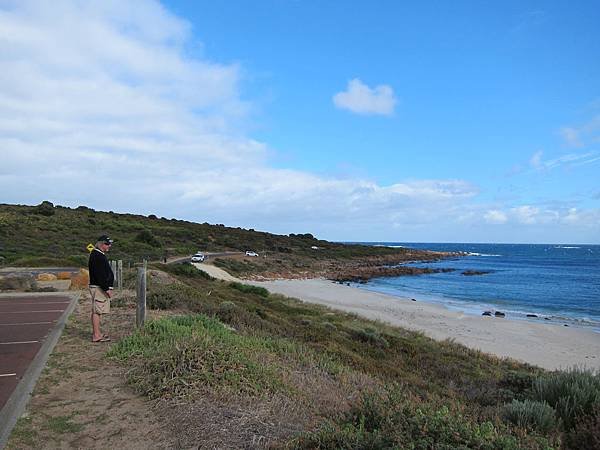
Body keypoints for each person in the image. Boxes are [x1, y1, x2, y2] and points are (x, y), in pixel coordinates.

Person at [88, 235, 114, 342]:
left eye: (109, 244)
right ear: (100, 244)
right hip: (99, 287)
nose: (109, 246)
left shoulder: (98, 255)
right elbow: (100, 275)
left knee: (97, 310)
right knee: (97, 311)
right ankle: (96, 335)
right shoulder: (97, 256)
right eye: (107, 244)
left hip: (99, 287)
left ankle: (97, 333)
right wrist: (106, 288)